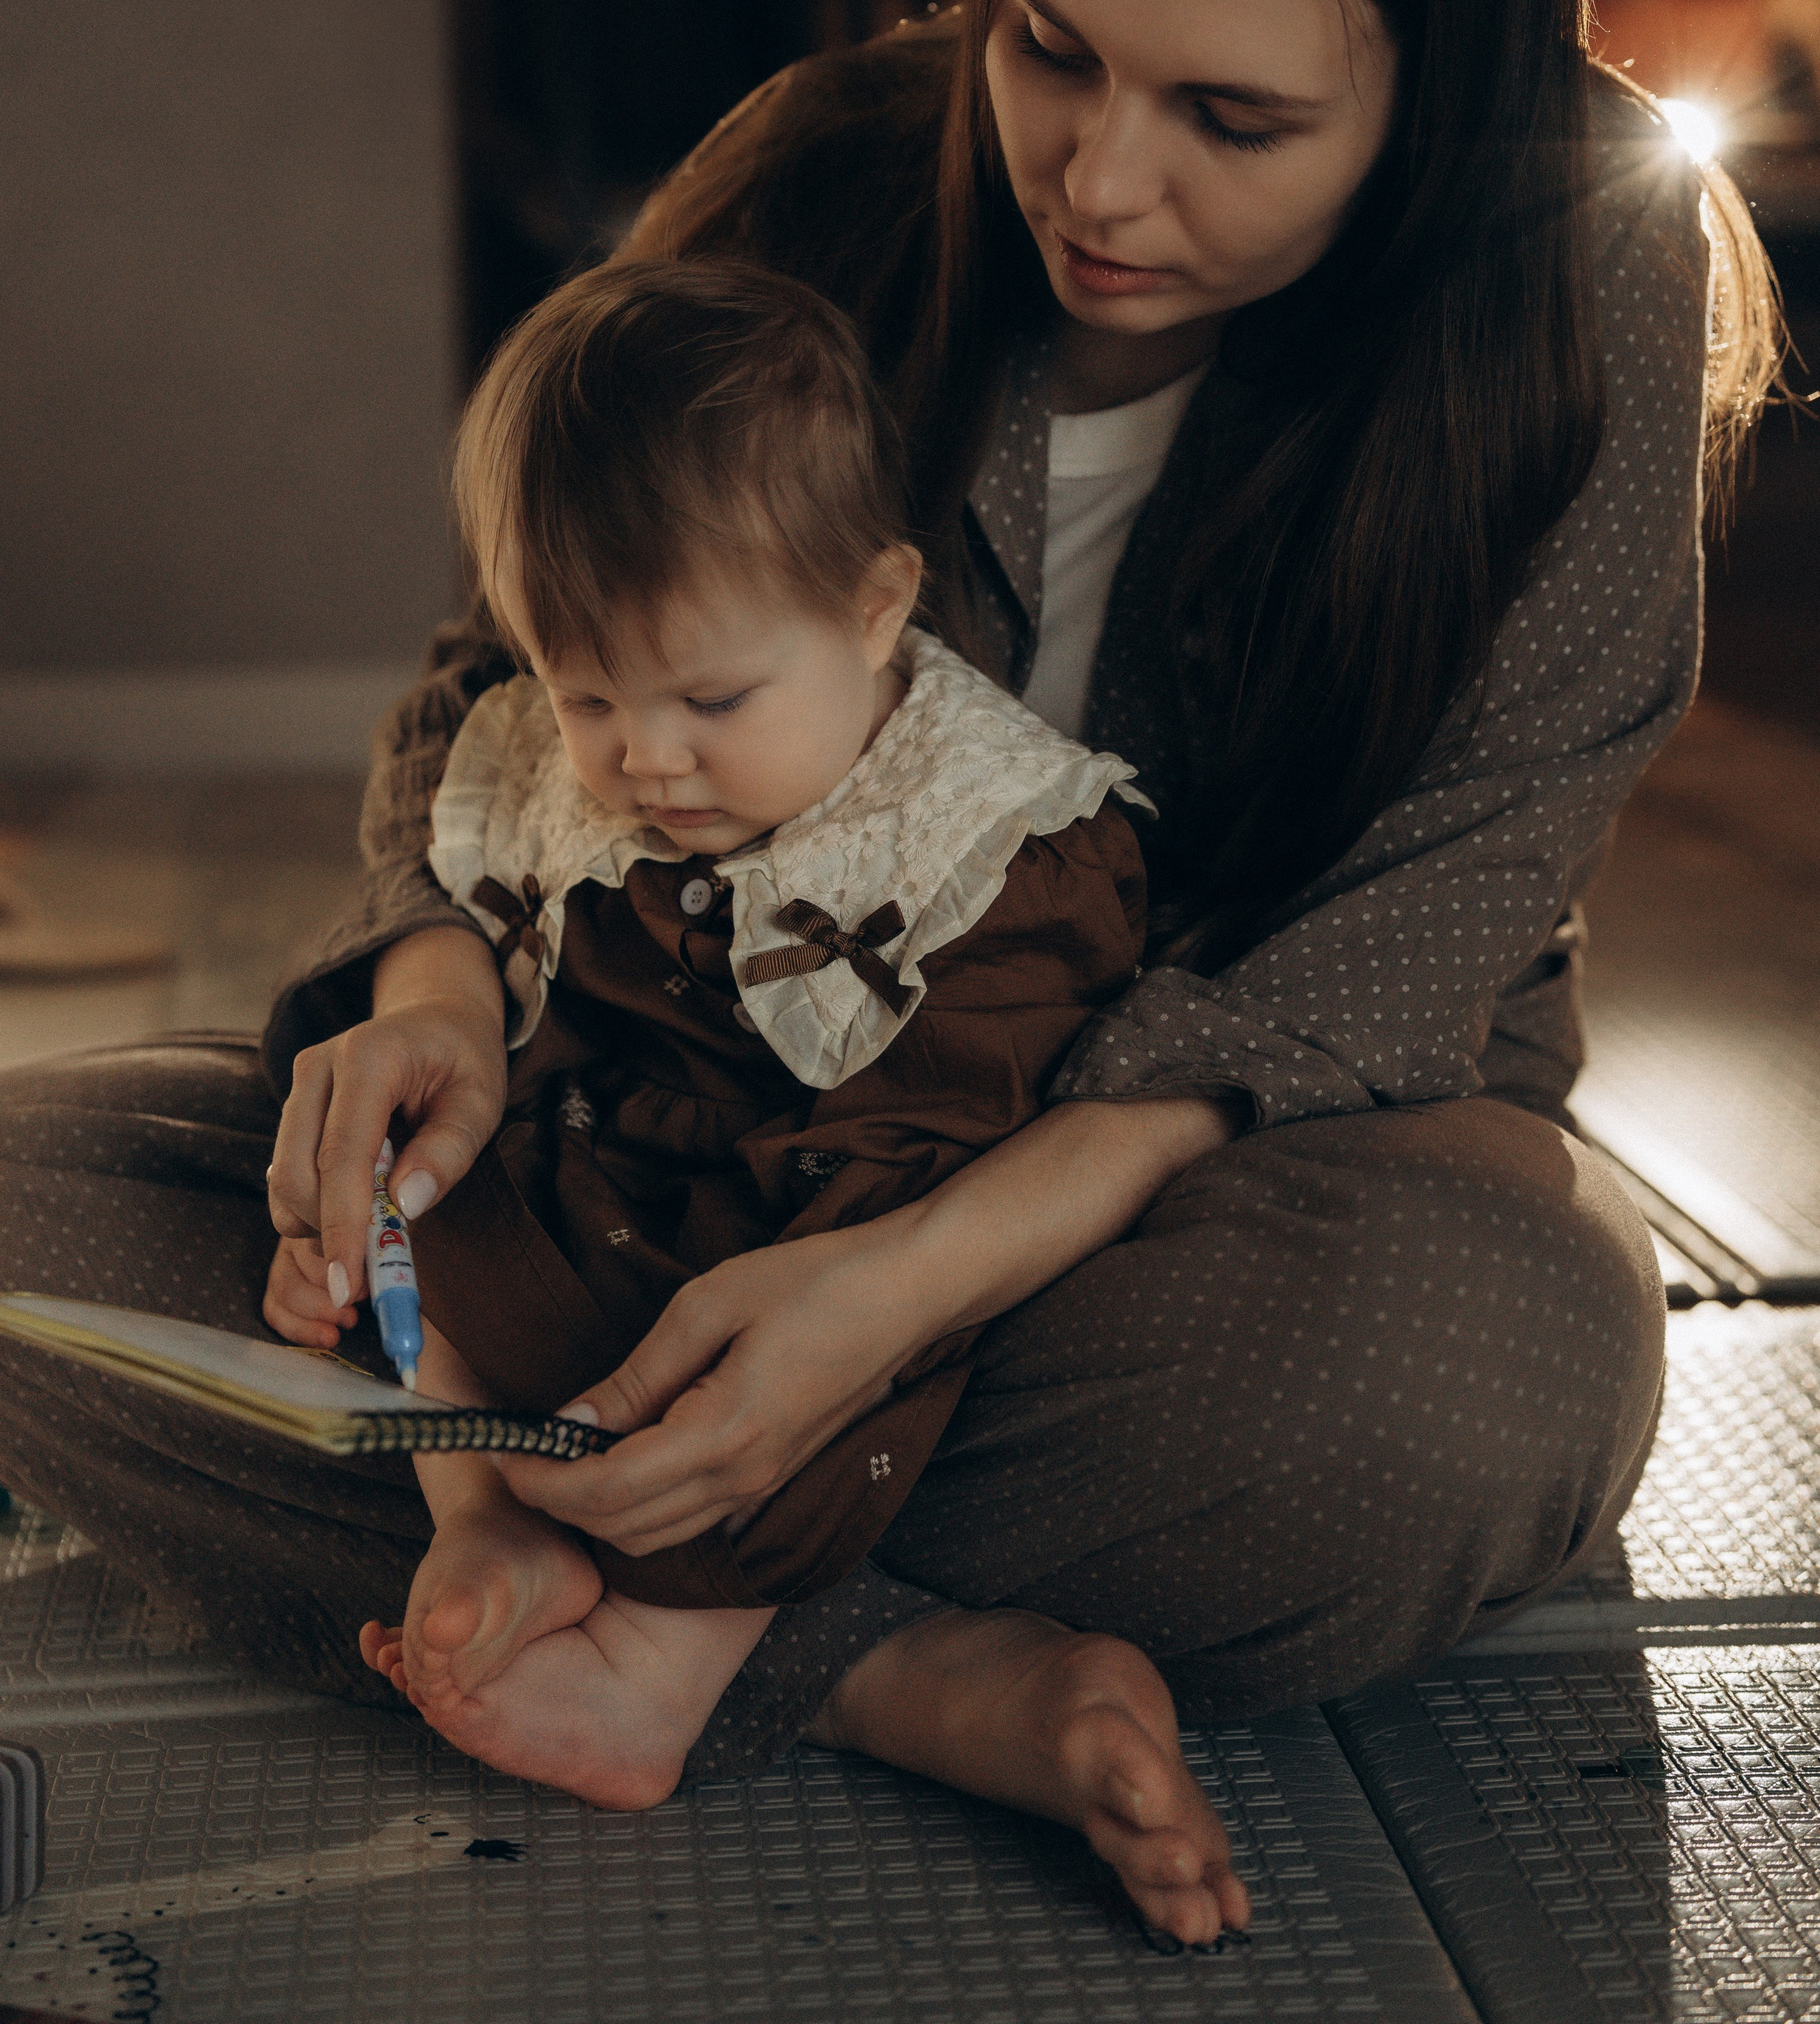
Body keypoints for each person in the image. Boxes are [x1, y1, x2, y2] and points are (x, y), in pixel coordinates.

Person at [0, 0, 1779, 1955]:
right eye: (1049, 46)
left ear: (1439, 91)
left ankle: (634, 1564)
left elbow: (1431, 912)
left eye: (1233, 116)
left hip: (1210, 1185)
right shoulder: (822, 173)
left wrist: (902, 1289)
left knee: (1462, 1375)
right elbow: (498, 676)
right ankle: (889, 1663)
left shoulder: (1593, 294)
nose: (1103, 183)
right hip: (685, 1149)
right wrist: (429, 1010)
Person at [275, 256, 1242, 1906]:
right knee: (396, 1195)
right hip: (601, 1161)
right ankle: (477, 1515)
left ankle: (670, 1666)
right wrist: (387, 1183)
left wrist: (800, 1279)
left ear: (876, 613)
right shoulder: (582, 764)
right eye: (586, 696)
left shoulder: (991, 840)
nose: (645, 757)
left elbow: (935, 1151)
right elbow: (523, 987)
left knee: (790, 1408)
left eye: (710, 699)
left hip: (823, 1221)